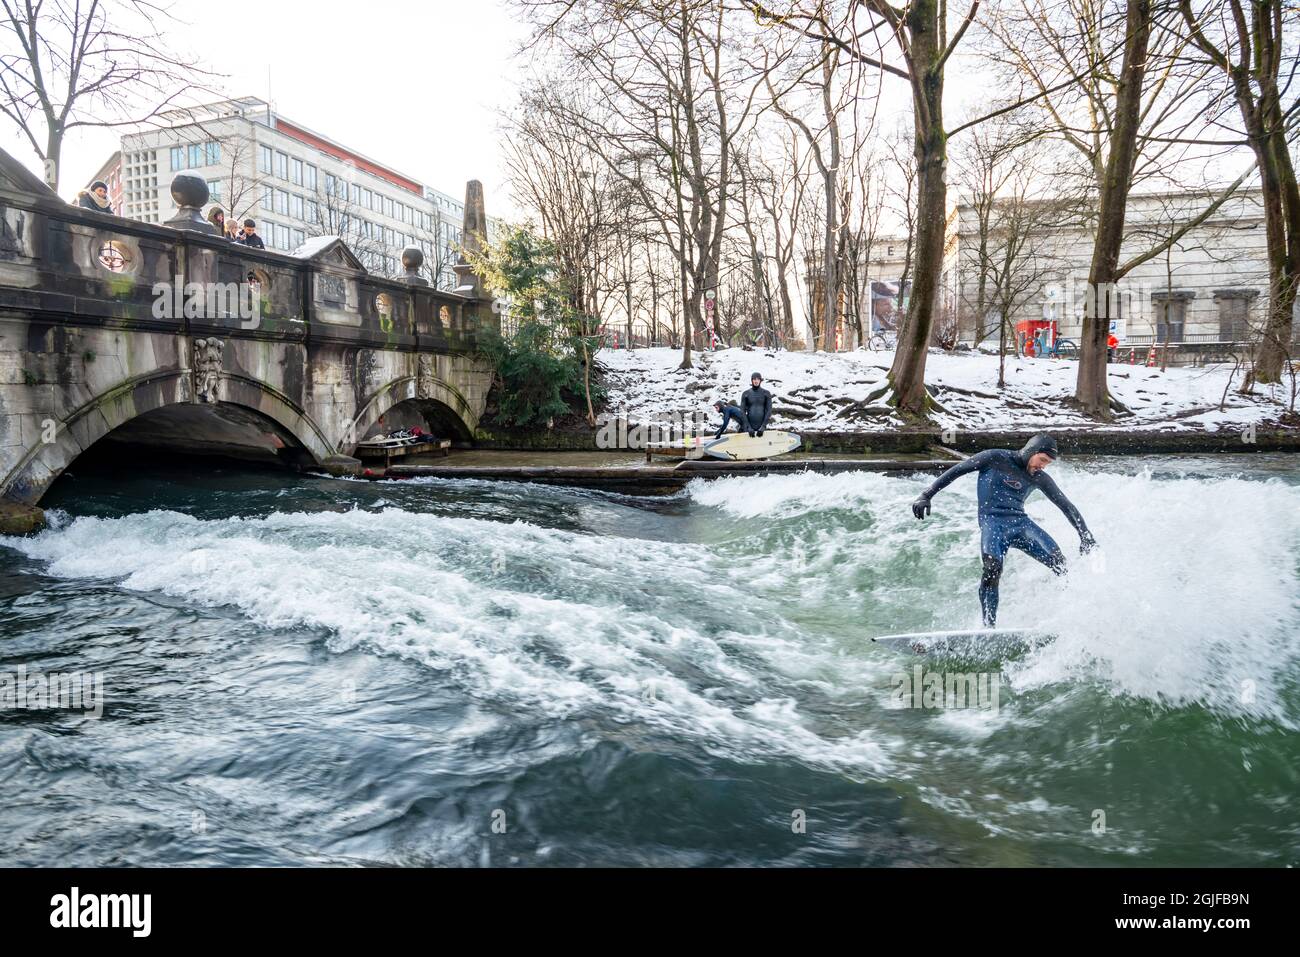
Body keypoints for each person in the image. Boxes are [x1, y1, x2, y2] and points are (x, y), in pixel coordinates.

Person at [910, 435, 1097, 627]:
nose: (1043, 466)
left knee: (1060, 563)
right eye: (1042, 460)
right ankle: (988, 626)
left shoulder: (1039, 477)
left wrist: (1085, 535)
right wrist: (926, 495)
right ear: (1031, 451)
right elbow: (956, 471)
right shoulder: (994, 457)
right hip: (993, 522)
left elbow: (1066, 505)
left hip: (1020, 523)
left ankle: (1070, 615)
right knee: (993, 568)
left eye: (1047, 463)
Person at [740, 372, 772, 437]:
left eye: (758, 379)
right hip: (749, 427)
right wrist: (748, 427)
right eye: (754, 379)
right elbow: (742, 411)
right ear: (752, 380)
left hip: (761, 427)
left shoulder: (766, 393)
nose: (756, 381)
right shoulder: (746, 394)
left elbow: (769, 410)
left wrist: (763, 426)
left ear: (760, 380)